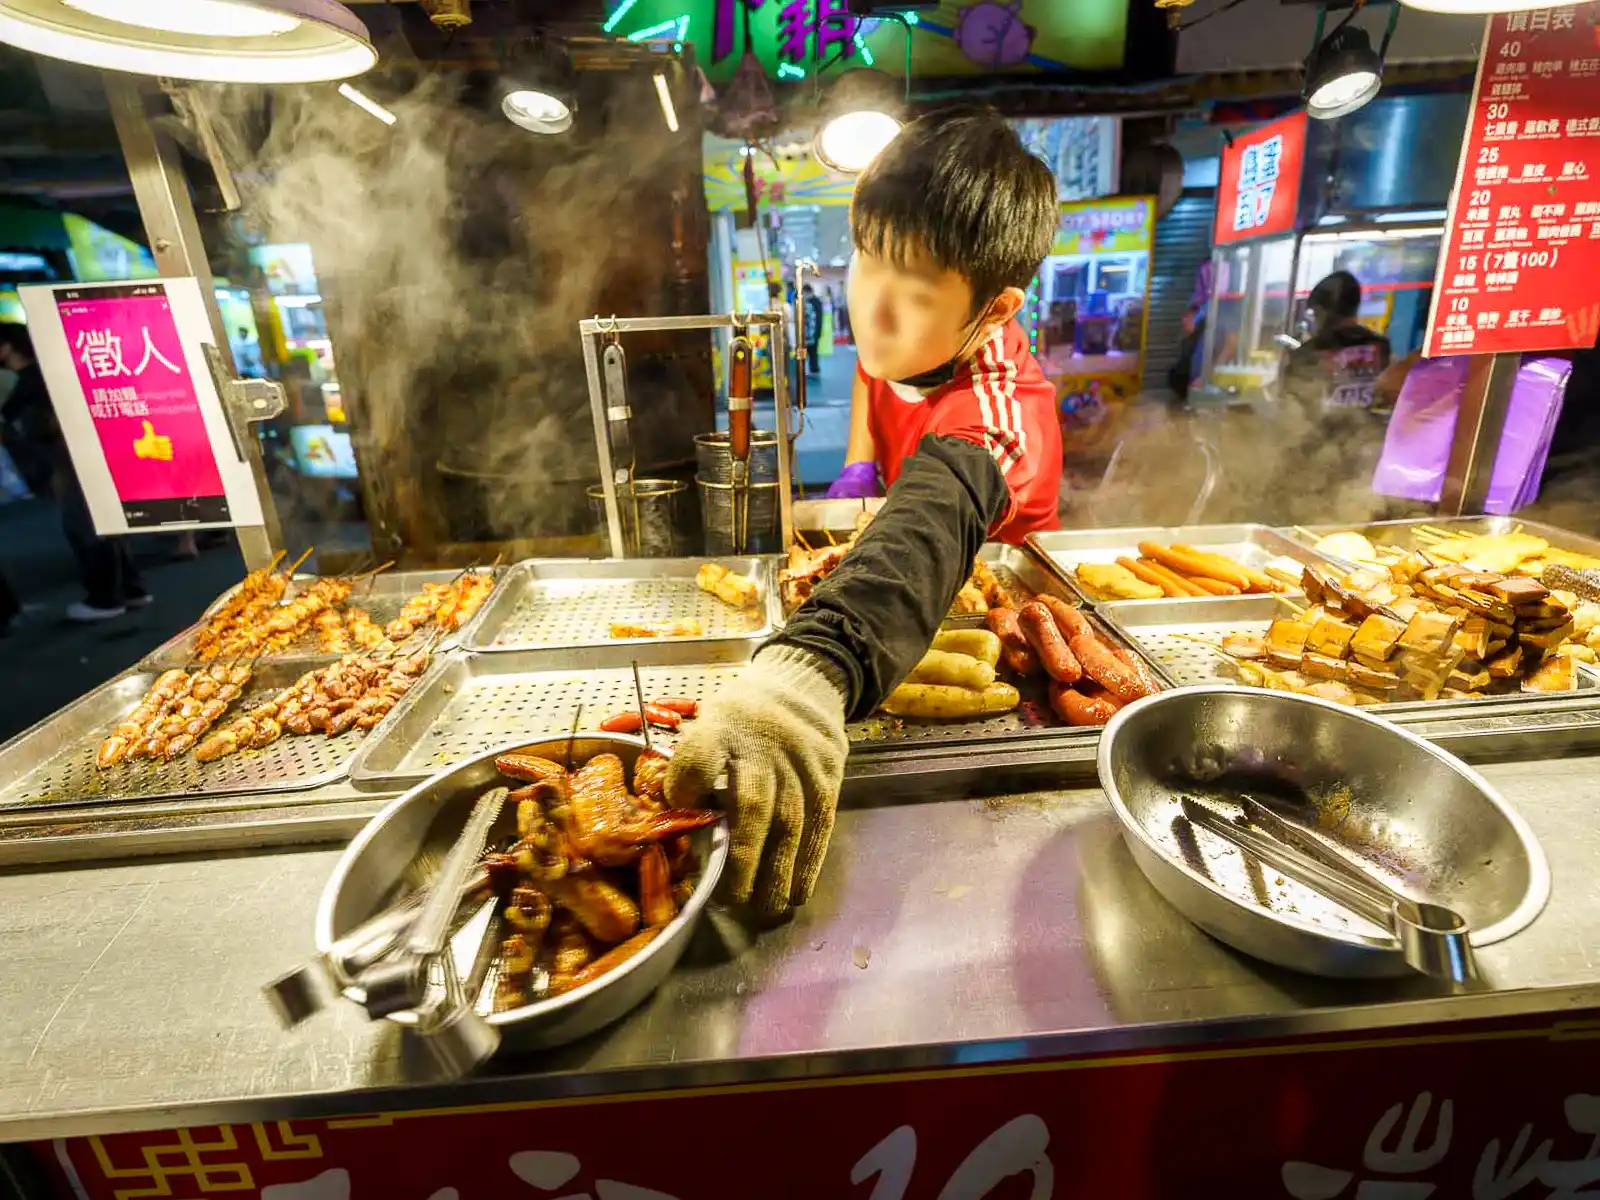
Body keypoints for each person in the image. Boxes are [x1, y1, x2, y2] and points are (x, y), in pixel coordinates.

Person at [667, 109, 1060, 916]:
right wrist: (856, 460)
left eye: (913, 291)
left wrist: (812, 667)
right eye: (866, 261)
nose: (872, 308)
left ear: (995, 309)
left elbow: (940, 513)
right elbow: (876, 367)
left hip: (964, 636)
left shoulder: (1003, 414)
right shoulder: (914, 334)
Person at [0, 324, 149, 621]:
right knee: (105, 525)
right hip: (84, 458)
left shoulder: (32, 384)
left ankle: (106, 598)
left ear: (8, 347)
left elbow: (36, 427)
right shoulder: (47, 376)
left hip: (68, 462)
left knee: (86, 528)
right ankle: (130, 589)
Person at [802, 283, 823, 377]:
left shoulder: (813, 302)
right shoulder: (812, 301)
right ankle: (811, 369)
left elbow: (818, 319)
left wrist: (817, 332)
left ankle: (814, 369)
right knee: (810, 352)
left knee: (813, 352)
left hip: (812, 332)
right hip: (808, 332)